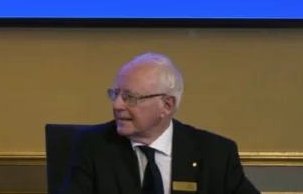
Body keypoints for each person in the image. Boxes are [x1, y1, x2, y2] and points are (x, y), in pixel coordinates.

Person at [60, 53, 260, 194]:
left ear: (166, 105)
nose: (117, 104)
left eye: (130, 97)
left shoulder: (215, 153)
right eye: (116, 94)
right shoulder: (93, 146)